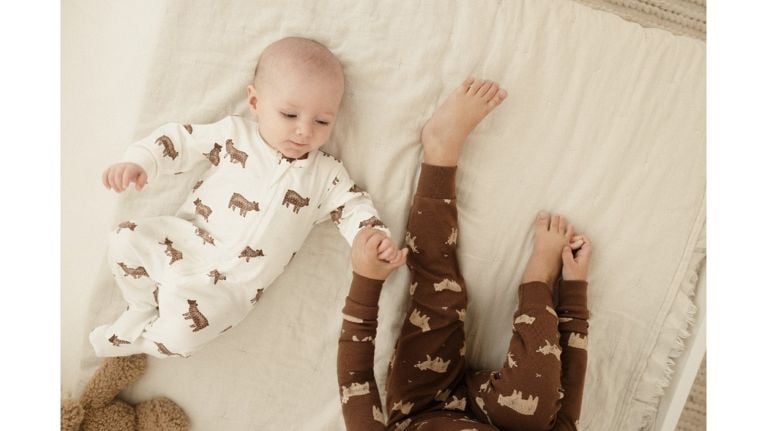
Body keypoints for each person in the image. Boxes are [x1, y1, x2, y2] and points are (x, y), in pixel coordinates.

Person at [90, 36, 404, 359]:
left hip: (229, 290)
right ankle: (140, 305)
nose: (304, 131)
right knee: (123, 239)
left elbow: (352, 206)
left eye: (322, 121)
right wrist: (142, 161)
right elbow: (181, 141)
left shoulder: (327, 176)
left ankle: (133, 341)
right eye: (289, 115)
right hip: (186, 240)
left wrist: (371, 236)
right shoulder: (233, 136)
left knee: (181, 338)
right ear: (255, 103)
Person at [337, 78, 592, 430]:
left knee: (437, 291)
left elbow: (356, 380)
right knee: (536, 407)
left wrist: (366, 280)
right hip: (507, 420)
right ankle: (538, 278)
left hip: (422, 402)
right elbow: (565, 416)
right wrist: (570, 299)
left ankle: (440, 151)